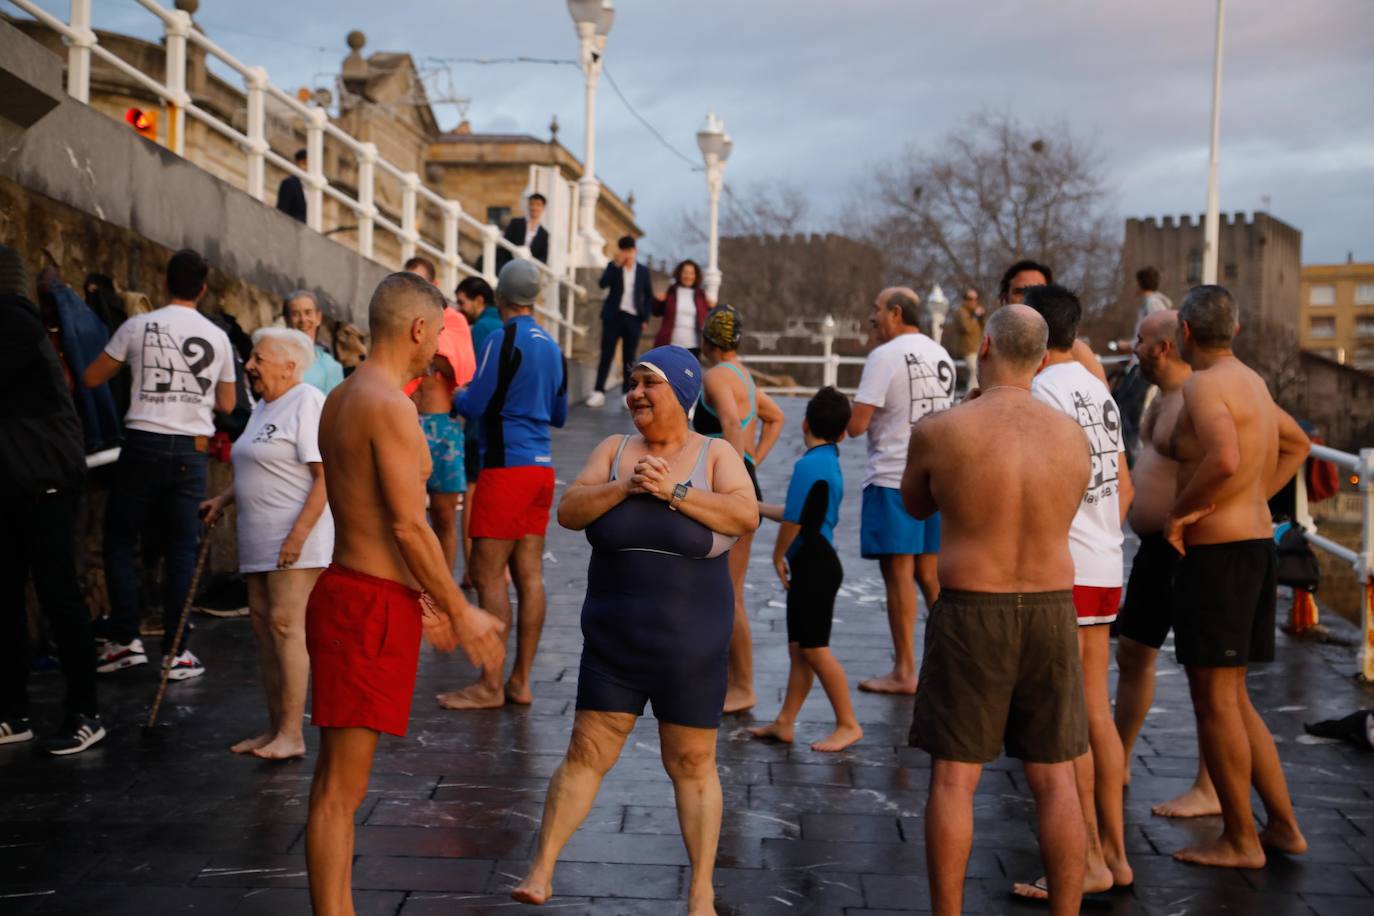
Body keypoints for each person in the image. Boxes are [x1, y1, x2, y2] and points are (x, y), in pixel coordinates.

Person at [510, 346, 758, 915]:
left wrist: (673, 490)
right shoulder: (615, 451)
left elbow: (744, 517)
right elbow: (569, 510)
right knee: (586, 752)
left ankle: (701, 893)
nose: (637, 394)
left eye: (651, 384)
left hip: (689, 650)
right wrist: (626, 487)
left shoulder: (714, 454)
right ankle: (541, 869)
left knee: (692, 764)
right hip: (613, 644)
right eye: (632, 383)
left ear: (684, 391)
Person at [303, 271, 503, 916]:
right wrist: (459, 607)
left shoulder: (343, 397)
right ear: (419, 329)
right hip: (362, 604)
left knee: (337, 784)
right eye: (436, 337)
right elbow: (407, 523)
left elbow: (372, 511)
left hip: (359, 594)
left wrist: (419, 596)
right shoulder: (386, 404)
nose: (435, 354)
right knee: (340, 789)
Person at [902, 304, 1091, 916]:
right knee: (1056, 778)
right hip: (1051, 608)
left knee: (956, 779)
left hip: (971, 610)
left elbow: (914, 506)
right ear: (1041, 358)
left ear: (983, 346)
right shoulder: (1071, 436)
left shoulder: (943, 429)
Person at [1161, 284, 1309, 868]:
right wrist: (1254, 493)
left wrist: (1180, 513)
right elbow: (1296, 445)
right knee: (1235, 700)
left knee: (1215, 704)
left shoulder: (1203, 384)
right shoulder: (1253, 381)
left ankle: (1242, 840)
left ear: (1187, 335)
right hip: (1253, 547)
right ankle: (1284, 828)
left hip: (1219, 558)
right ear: (1237, 332)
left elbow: (1222, 456)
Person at [1014, 283, 1134, 901]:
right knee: (1097, 712)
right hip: (1106, 558)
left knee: (1069, 721)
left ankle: (1087, 858)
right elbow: (1125, 485)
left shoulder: (1042, 390)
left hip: (1069, 565)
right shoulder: (1095, 386)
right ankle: (1113, 853)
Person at [84, 248, 236, 681]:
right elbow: (226, 403)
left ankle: (125, 641)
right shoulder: (218, 337)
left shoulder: (137, 326)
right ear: (203, 290)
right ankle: (176, 653)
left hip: (141, 443)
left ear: (165, 284)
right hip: (191, 449)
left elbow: (92, 377)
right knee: (181, 550)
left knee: (119, 540)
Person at [199, 328, 333, 760]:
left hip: (296, 540)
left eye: (258, 358)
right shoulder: (263, 406)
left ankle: (292, 734)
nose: (249, 366)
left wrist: (297, 535)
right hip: (259, 540)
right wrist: (223, 499)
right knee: (264, 631)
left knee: (285, 627)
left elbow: (324, 477)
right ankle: (274, 727)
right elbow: (258, 467)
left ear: (290, 366)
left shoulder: (307, 401)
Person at [440, 260, 568, 709]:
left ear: (500, 297)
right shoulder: (553, 346)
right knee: (530, 576)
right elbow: (559, 415)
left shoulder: (501, 337)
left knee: (489, 574)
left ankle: (490, 685)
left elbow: (475, 403)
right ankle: (520, 681)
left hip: (505, 467)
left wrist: (455, 393)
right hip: (541, 468)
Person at [1111, 310, 1218, 816]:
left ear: (1165, 346)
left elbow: (1274, 449)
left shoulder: (1202, 398)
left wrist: (1190, 517)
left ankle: (1209, 785)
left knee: (1208, 674)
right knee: (1132, 653)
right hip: (1153, 550)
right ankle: (1119, 759)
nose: (1134, 347)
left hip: (1187, 549)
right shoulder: (1162, 398)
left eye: (1141, 339)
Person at [0, 246, 105, 756]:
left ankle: (86, 712)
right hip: (15, 479)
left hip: (44, 480)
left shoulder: (15, 324)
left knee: (59, 594)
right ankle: (12, 712)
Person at [848, 287, 954, 695]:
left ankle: (905, 670)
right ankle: (948, 662)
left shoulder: (884, 356)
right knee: (931, 575)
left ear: (895, 313)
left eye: (876, 310)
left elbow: (858, 424)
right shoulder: (940, 353)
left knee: (898, 575)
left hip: (894, 476)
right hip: (936, 479)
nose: (873, 318)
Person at [749, 387, 862, 752]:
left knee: (815, 650)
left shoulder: (808, 464)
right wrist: (754, 507)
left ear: (804, 423)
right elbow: (793, 510)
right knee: (800, 649)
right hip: (817, 561)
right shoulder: (828, 459)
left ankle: (848, 723)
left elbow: (794, 522)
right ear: (842, 433)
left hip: (814, 565)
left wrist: (776, 556)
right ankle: (784, 722)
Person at [694, 304, 785, 714]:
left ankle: (744, 685)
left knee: (729, 594)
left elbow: (731, 423)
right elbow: (775, 417)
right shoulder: (744, 376)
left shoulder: (714, 376)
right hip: (740, 481)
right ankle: (722, 676)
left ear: (707, 341)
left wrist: (736, 474)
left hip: (730, 489)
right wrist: (752, 462)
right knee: (721, 591)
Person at [404, 262, 476, 579]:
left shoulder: (454, 321)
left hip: (442, 427)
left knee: (444, 515)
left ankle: (443, 587)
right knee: (407, 515)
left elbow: (460, 370)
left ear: (433, 283)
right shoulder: (399, 322)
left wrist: (429, 346)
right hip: (406, 423)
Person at [998, 259, 1108, 386]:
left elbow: (1103, 402)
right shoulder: (994, 352)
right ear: (1004, 299)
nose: (1027, 299)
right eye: (1021, 292)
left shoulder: (1075, 351)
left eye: (1037, 291)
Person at [455, 275, 499, 585]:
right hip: (506, 430)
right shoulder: (509, 328)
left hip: (478, 425)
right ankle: (495, 567)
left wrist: (458, 397)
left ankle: (472, 568)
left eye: (462, 302)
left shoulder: (481, 330)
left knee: (471, 492)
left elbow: (470, 377)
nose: (460, 309)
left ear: (479, 301)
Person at [586, 236, 653, 408]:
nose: (628, 254)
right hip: (613, 316)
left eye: (630, 251)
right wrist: (616, 265)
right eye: (624, 251)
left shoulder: (643, 271)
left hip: (633, 318)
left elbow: (648, 297)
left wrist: (645, 318)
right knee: (606, 354)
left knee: (629, 358)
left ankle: (626, 393)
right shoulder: (613, 266)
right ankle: (598, 391)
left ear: (635, 251)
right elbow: (603, 283)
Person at [284, 291, 344, 395]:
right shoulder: (275, 358)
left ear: (318, 318)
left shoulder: (330, 367)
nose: (303, 319)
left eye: (308, 313)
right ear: (287, 321)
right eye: (295, 314)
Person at [652, 259, 710, 350]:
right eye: (685, 272)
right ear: (679, 274)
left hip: (694, 346)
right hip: (670, 344)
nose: (688, 276)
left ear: (696, 275)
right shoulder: (671, 291)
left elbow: (707, 316)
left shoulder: (701, 295)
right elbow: (656, 312)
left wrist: (711, 306)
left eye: (691, 273)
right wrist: (658, 301)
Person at [941, 288, 985, 390]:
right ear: (964, 300)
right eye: (970, 299)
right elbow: (967, 328)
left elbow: (984, 327)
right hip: (967, 350)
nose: (973, 302)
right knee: (975, 372)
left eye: (975, 299)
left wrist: (982, 316)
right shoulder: (961, 312)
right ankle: (971, 398)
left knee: (980, 374)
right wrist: (975, 316)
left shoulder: (975, 312)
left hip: (977, 348)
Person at [498, 192, 549, 271]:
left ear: (543, 208)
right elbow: (505, 244)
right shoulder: (516, 223)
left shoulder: (544, 234)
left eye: (538, 205)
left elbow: (543, 257)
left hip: (529, 270)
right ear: (528, 205)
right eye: (532, 204)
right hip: (510, 265)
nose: (534, 207)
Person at [276, 149, 308, 223]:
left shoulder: (312, 188)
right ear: (300, 163)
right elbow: (282, 211)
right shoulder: (289, 184)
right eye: (305, 163)